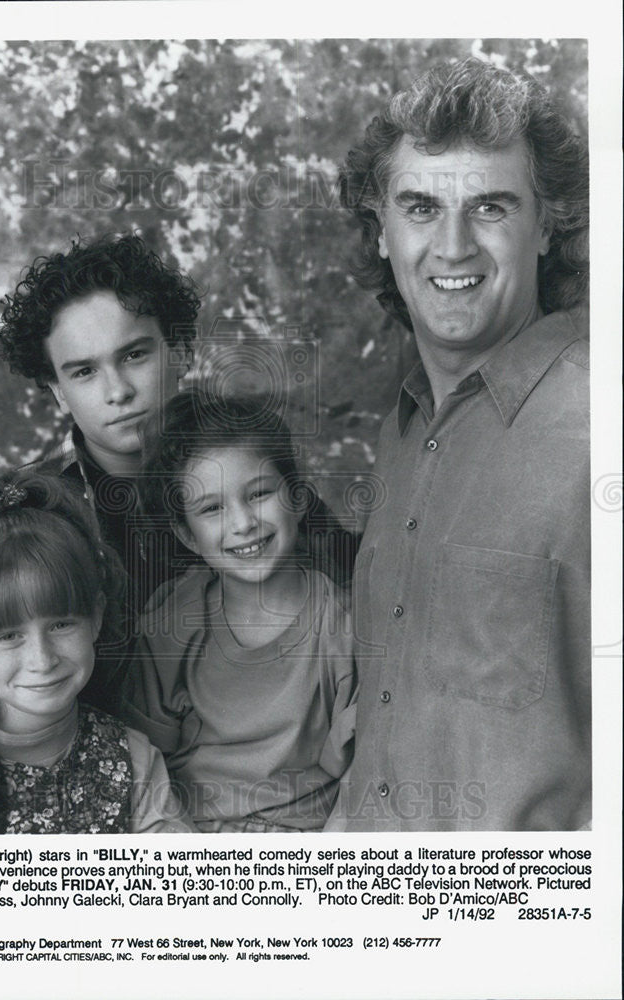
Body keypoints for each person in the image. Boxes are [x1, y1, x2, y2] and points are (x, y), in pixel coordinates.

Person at [330, 58, 590, 831]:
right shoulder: (402, 430)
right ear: (380, 231)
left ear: (547, 224)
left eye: (489, 208)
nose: (451, 247)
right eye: (418, 207)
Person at [0, 233, 201, 699]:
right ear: (57, 389)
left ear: (179, 352)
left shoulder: (255, 489)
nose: (117, 390)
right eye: (84, 371)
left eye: (135, 355)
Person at [0, 471, 193, 834]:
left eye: (61, 625)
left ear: (96, 617)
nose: (42, 659)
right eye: (8, 635)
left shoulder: (135, 762)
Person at [124, 390, 357, 832]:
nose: (243, 522)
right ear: (188, 536)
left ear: (299, 497)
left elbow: (355, 771)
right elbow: (141, 764)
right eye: (212, 509)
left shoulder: (342, 626)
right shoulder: (173, 624)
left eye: (260, 493)